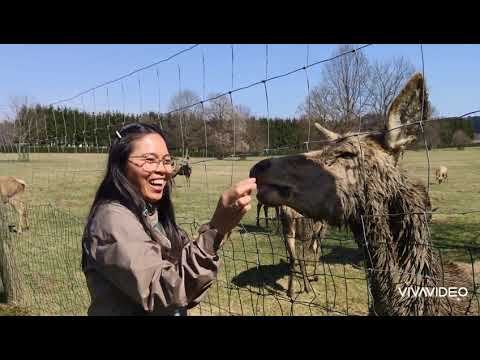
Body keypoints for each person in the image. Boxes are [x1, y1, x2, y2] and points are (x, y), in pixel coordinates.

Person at [81, 123, 256, 316]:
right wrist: (215, 229)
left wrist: (221, 229)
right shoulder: (111, 219)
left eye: (166, 161)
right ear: (121, 164)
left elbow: (184, 277)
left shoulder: (152, 213)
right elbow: (162, 290)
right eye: (149, 159)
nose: (163, 170)